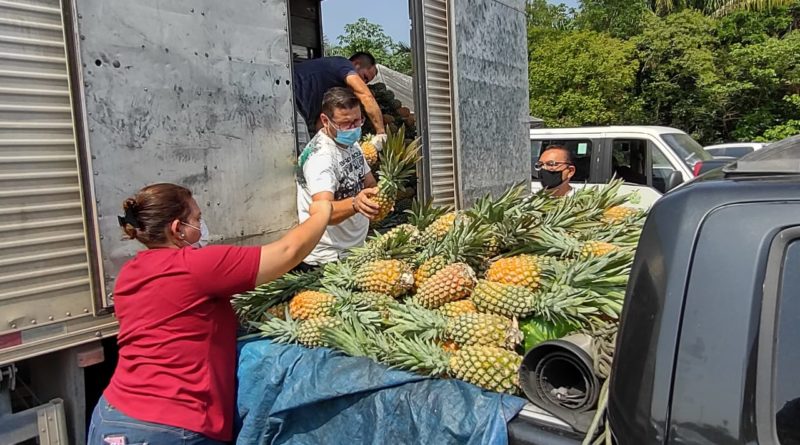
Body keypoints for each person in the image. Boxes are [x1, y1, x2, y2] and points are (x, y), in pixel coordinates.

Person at [87, 183, 332, 445]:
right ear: (177, 228)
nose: (201, 226)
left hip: (111, 415)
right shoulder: (195, 265)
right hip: (171, 426)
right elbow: (287, 252)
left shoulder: (129, 273)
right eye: (197, 219)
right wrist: (321, 213)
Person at [295, 87, 380, 269]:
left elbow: (368, 181)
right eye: (346, 123)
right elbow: (323, 212)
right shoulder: (321, 158)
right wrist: (356, 204)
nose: (354, 128)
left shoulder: (350, 143)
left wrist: (380, 193)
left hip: (353, 250)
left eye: (358, 121)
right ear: (325, 120)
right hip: (328, 259)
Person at [293, 52, 387, 155]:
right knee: (300, 159)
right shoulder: (343, 64)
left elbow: (321, 124)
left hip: (299, 109)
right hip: (291, 101)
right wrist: (381, 133)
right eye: (364, 77)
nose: (363, 83)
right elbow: (366, 96)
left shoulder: (332, 86)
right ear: (357, 64)